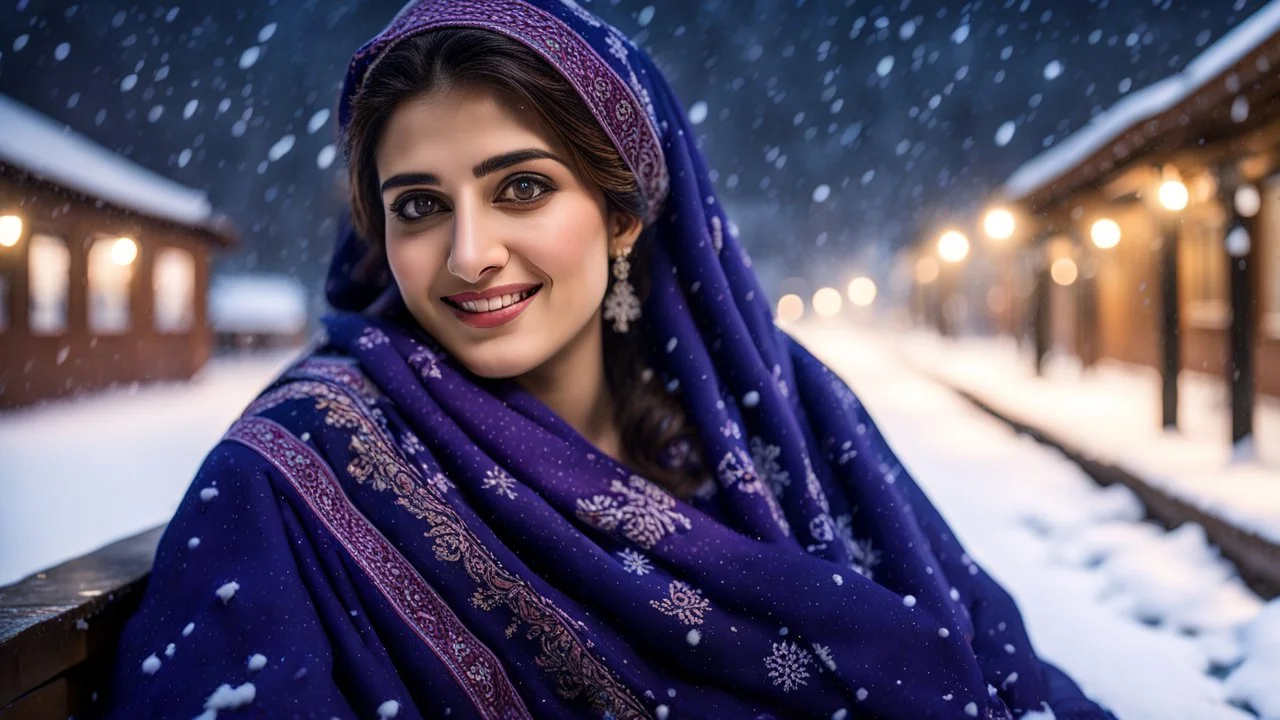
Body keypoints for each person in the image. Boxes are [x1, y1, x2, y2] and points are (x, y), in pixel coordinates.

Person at [100, 1, 1115, 717]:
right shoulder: (303, 469)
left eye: (521, 189)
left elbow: (961, 652)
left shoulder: (764, 410)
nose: (468, 253)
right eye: (418, 206)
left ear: (623, 213)